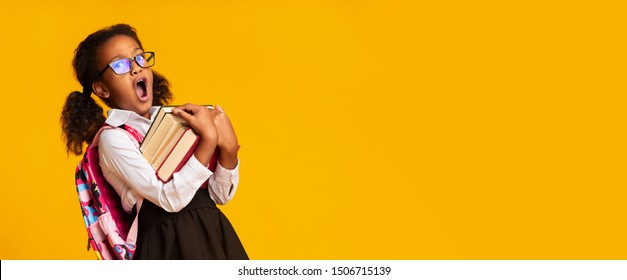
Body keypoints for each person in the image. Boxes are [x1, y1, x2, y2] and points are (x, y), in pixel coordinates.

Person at [60, 23, 248, 259]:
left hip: (212, 231)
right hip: (168, 243)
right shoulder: (113, 138)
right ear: (101, 88)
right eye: (120, 65)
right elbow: (169, 198)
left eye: (139, 58)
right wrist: (209, 139)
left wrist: (229, 150)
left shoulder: (174, 121)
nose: (136, 69)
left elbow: (219, 196)